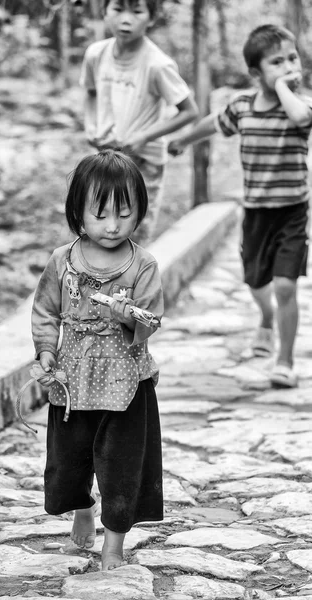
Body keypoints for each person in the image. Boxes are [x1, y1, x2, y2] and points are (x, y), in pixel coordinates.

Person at [31, 149, 164, 570]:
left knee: (122, 468)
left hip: (127, 387)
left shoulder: (143, 265)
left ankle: (114, 545)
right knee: (67, 465)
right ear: (78, 212)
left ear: (140, 210)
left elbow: (151, 319)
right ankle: (82, 506)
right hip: (73, 382)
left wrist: (131, 320)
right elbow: (45, 312)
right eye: (100, 214)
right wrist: (47, 352)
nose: (112, 226)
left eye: (124, 214)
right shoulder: (62, 261)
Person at [169, 24, 312, 389]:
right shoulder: (243, 107)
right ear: (255, 73)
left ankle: (285, 361)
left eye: (292, 58)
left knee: (285, 286)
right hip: (256, 213)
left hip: (292, 212)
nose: (288, 67)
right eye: (276, 62)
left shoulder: (300, 105)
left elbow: (301, 119)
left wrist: (282, 86)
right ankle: (265, 320)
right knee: (256, 283)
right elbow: (214, 124)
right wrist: (183, 139)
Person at [80, 0, 198, 246]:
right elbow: (91, 92)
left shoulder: (157, 64)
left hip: (143, 163)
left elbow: (189, 111)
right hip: (106, 156)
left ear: (151, 18)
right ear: (105, 12)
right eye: (118, 9)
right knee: (100, 231)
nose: (126, 19)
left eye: (136, 11)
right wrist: (91, 126)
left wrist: (143, 137)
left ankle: (133, 285)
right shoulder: (95, 54)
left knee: (133, 238)